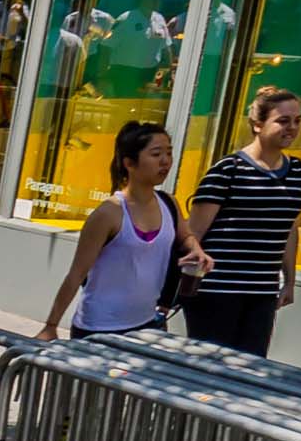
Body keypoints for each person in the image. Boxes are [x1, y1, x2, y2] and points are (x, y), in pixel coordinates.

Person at [39, 123, 208, 342]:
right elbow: (76, 274)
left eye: (169, 152)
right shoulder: (109, 214)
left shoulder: (168, 203)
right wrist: (51, 326)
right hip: (99, 329)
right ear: (129, 163)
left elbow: (185, 236)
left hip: (148, 325)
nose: (166, 161)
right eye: (156, 154)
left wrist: (197, 250)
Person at [181, 87, 301, 356]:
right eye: (283, 121)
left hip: (262, 293)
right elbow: (193, 234)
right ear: (258, 125)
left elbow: (289, 228)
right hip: (216, 290)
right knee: (210, 369)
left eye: (297, 121)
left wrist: (290, 281)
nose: (292, 128)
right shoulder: (228, 169)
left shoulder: (297, 171)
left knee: (249, 371)